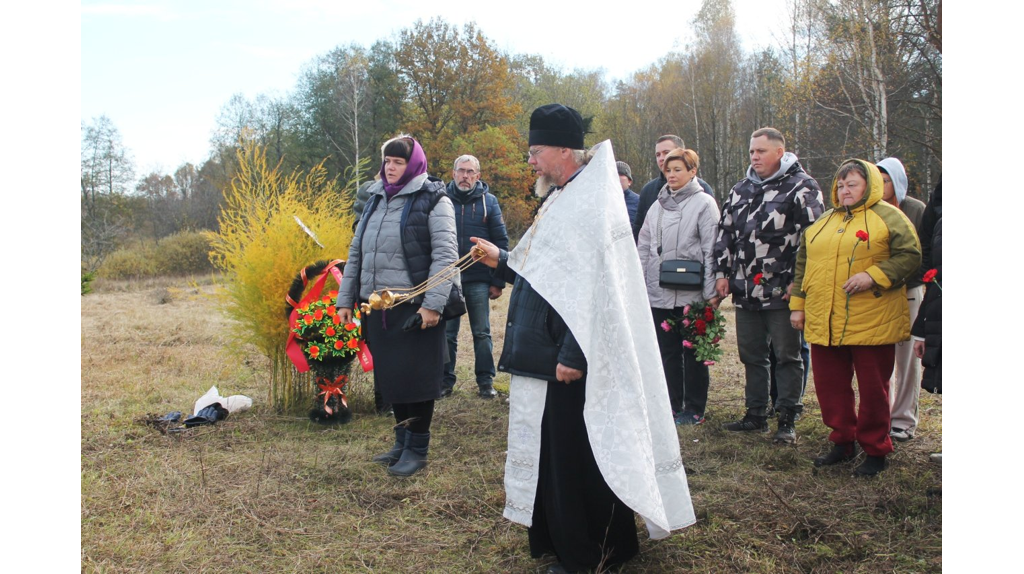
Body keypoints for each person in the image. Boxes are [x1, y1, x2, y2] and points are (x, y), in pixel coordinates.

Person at [471, 104, 695, 573]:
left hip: (568, 359)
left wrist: (573, 354)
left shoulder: (590, 204)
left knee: (579, 457)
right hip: (547, 352)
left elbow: (597, 288)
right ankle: (567, 541)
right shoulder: (562, 195)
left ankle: (594, 553)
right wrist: (501, 259)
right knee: (557, 453)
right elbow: (550, 273)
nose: (530, 161)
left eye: (536, 152)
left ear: (562, 150)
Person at [336, 135, 459, 477]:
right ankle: (402, 442)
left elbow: (446, 256)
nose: (390, 168)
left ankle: (417, 449)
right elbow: (356, 252)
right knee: (392, 379)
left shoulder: (433, 199)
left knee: (416, 379)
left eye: (398, 162)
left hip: (416, 306)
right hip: (379, 307)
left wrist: (432, 306)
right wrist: (346, 299)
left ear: (414, 164)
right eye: (387, 161)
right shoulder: (375, 199)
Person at [790, 159, 921, 477]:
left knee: (874, 389)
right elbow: (803, 264)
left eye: (853, 184)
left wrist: (874, 275)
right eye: (841, 185)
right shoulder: (823, 222)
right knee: (830, 386)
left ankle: (876, 449)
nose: (845, 190)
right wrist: (798, 304)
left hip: (872, 319)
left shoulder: (890, 217)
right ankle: (842, 441)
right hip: (825, 319)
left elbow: (911, 256)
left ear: (870, 186)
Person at [713, 127, 824, 444]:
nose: (755, 157)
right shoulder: (741, 189)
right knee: (752, 355)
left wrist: (799, 285)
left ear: (779, 152)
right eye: (751, 151)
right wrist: (722, 274)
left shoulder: (802, 187)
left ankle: (787, 416)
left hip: (782, 292)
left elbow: (814, 240)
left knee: (787, 356)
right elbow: (725, 234)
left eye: (761, 151)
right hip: (746, 291)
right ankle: (756, 415)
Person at [637, 148, 720, 426]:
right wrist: (641, 283)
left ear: (692, 171)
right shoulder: (656, 205)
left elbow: (711, 249)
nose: (671, 175)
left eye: (678, 170)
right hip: (659, 292)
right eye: (668, 170)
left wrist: (710, 292)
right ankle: (670, 404)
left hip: (693, 292)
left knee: (694, 351)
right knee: (667, 351)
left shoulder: (705, 203)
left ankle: (694, 408)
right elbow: (644, 246)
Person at [441, 154, 509, 399]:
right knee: (447, 334)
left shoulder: (489, 202)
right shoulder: (441, 200)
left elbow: (501, 243)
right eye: (461, 171)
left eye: (470, 172)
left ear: (478, 176)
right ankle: (445, 381)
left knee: (481, 332)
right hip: (447, 279)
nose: (465, 176)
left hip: (479, 278)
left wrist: (498, 281)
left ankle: (485, 381)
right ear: (453, 173)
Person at [876, 157, 927, 442]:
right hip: (877, 294)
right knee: (880, 358)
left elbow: (923, 252)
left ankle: (904, 420)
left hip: (908, 291)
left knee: (907, 359)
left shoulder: (915, 209)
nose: (882, 185)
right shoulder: (871, 211)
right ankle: (881, 415)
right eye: (877, 179)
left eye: (886, 180)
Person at [632, 135, 714, 242]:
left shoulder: (703, 190)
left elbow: (710, 236)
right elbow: (640, 231)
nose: (661, 158)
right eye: (658, 154)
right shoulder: (648, 190)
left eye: (666, 152)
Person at [616, 160, 640, 224]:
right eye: (614, 174)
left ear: (629, 181)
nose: (617, 177)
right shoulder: (603, 200)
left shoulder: (639, 202)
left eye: (621, 174)